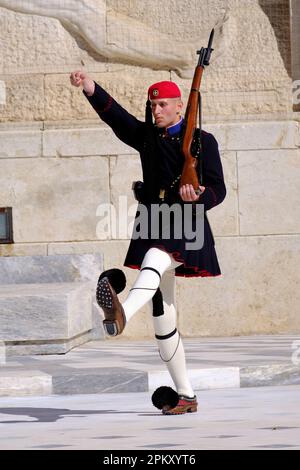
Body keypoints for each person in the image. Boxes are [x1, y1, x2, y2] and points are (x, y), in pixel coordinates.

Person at [70, 70, 226, 415]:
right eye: (153, 105)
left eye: (162, 105)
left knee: (155, 258)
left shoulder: (203, 142)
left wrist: (198, 196)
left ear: (178, 107)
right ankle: (186, 395)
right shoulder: (147, 137)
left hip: (187, 223)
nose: (156, 110)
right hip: (154, 219)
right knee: (163, 316)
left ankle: (122, 311)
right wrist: (89, 87)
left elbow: (219, 189)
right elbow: (116, 117)